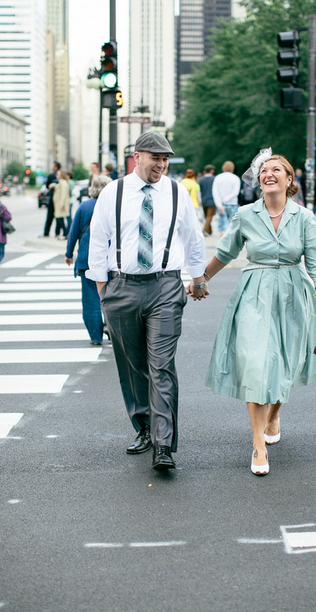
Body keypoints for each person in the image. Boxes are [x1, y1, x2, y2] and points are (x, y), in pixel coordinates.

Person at [188, 149, 316, 476]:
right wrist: (201, 279)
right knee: (257, 364)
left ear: (290, 180)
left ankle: (274, 415)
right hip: (254, 294)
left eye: (277, 170)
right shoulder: (245, 215)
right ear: (259, 180)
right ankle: (258, 444)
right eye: (263, 171)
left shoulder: (304, 218)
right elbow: (226, 252)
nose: (268, 174)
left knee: (284, 365)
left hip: (293, 293)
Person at [86, 132, 207, 471]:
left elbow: (192, 238)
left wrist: (198, 278)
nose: (162, 164)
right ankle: (144, 428)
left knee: (161, 366)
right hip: (120, 286)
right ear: (137, 157)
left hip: (165, 286)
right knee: (133, 365)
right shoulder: (113, 192)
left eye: (165, 158)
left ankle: (164, 444)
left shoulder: (176, 191)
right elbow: (98, 239)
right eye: (155, 157)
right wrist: (102, 290)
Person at [65, 175, 111, 345]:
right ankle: (113, 330)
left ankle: (95, 336)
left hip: (87, 261)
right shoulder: (114, 206)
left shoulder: (84, 207)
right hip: (111, 261)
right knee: (113, 299)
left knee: (91, 301)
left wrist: (69, 254)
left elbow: (74, 233)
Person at [212, 160, 241, 236]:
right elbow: (235, 192)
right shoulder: (236, 178)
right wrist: (225, 200)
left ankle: (222, 243)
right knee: (232, 225)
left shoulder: (218, 178)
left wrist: (219, 204)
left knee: (223, 226)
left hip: (221, 205)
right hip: (232, 204)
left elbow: (215, 192)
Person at [42, 161, 61, 237]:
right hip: (55, 199)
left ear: (56, 167)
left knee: (51, 217)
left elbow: (47, 186)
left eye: (53, 166)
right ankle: (57, 233)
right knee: (56, 217)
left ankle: (47, 232)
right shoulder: (52, 175)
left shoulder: (53, 175)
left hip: (54, 198)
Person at [52, 169, 70, 239]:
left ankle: (65, 234)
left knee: (60, 219)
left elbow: (63, 194)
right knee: (60, 219)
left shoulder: (63, 182)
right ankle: (64, 234)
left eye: (58, 174)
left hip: (60, 204)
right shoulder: (61, 182)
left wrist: (62, 204)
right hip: (58, 204)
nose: (57, 176)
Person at [198, 164, 216, 235]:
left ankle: (209, 231)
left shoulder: (201, 179)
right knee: (209, 217)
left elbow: (199, 191)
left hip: (204, 200)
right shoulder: (214, 178)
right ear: (211, 171)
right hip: (212, 200)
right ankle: (204, 230)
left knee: (207, 217)